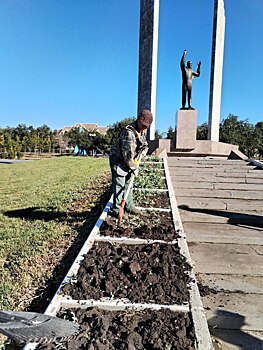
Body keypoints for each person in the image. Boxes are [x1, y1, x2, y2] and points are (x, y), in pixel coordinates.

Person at [109, 109, 153, 217]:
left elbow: (143, 143)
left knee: (129, 182)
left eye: (147, 126)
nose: (145, 127)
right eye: (144, 125)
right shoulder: (128, 133)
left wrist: (143, 150)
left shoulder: (143, 129)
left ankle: (129, 205)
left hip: (131, 158)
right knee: (120, 183)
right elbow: (127, 156)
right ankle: (117, 208)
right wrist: (134, 167)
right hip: (119, 159)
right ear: (139, 120)